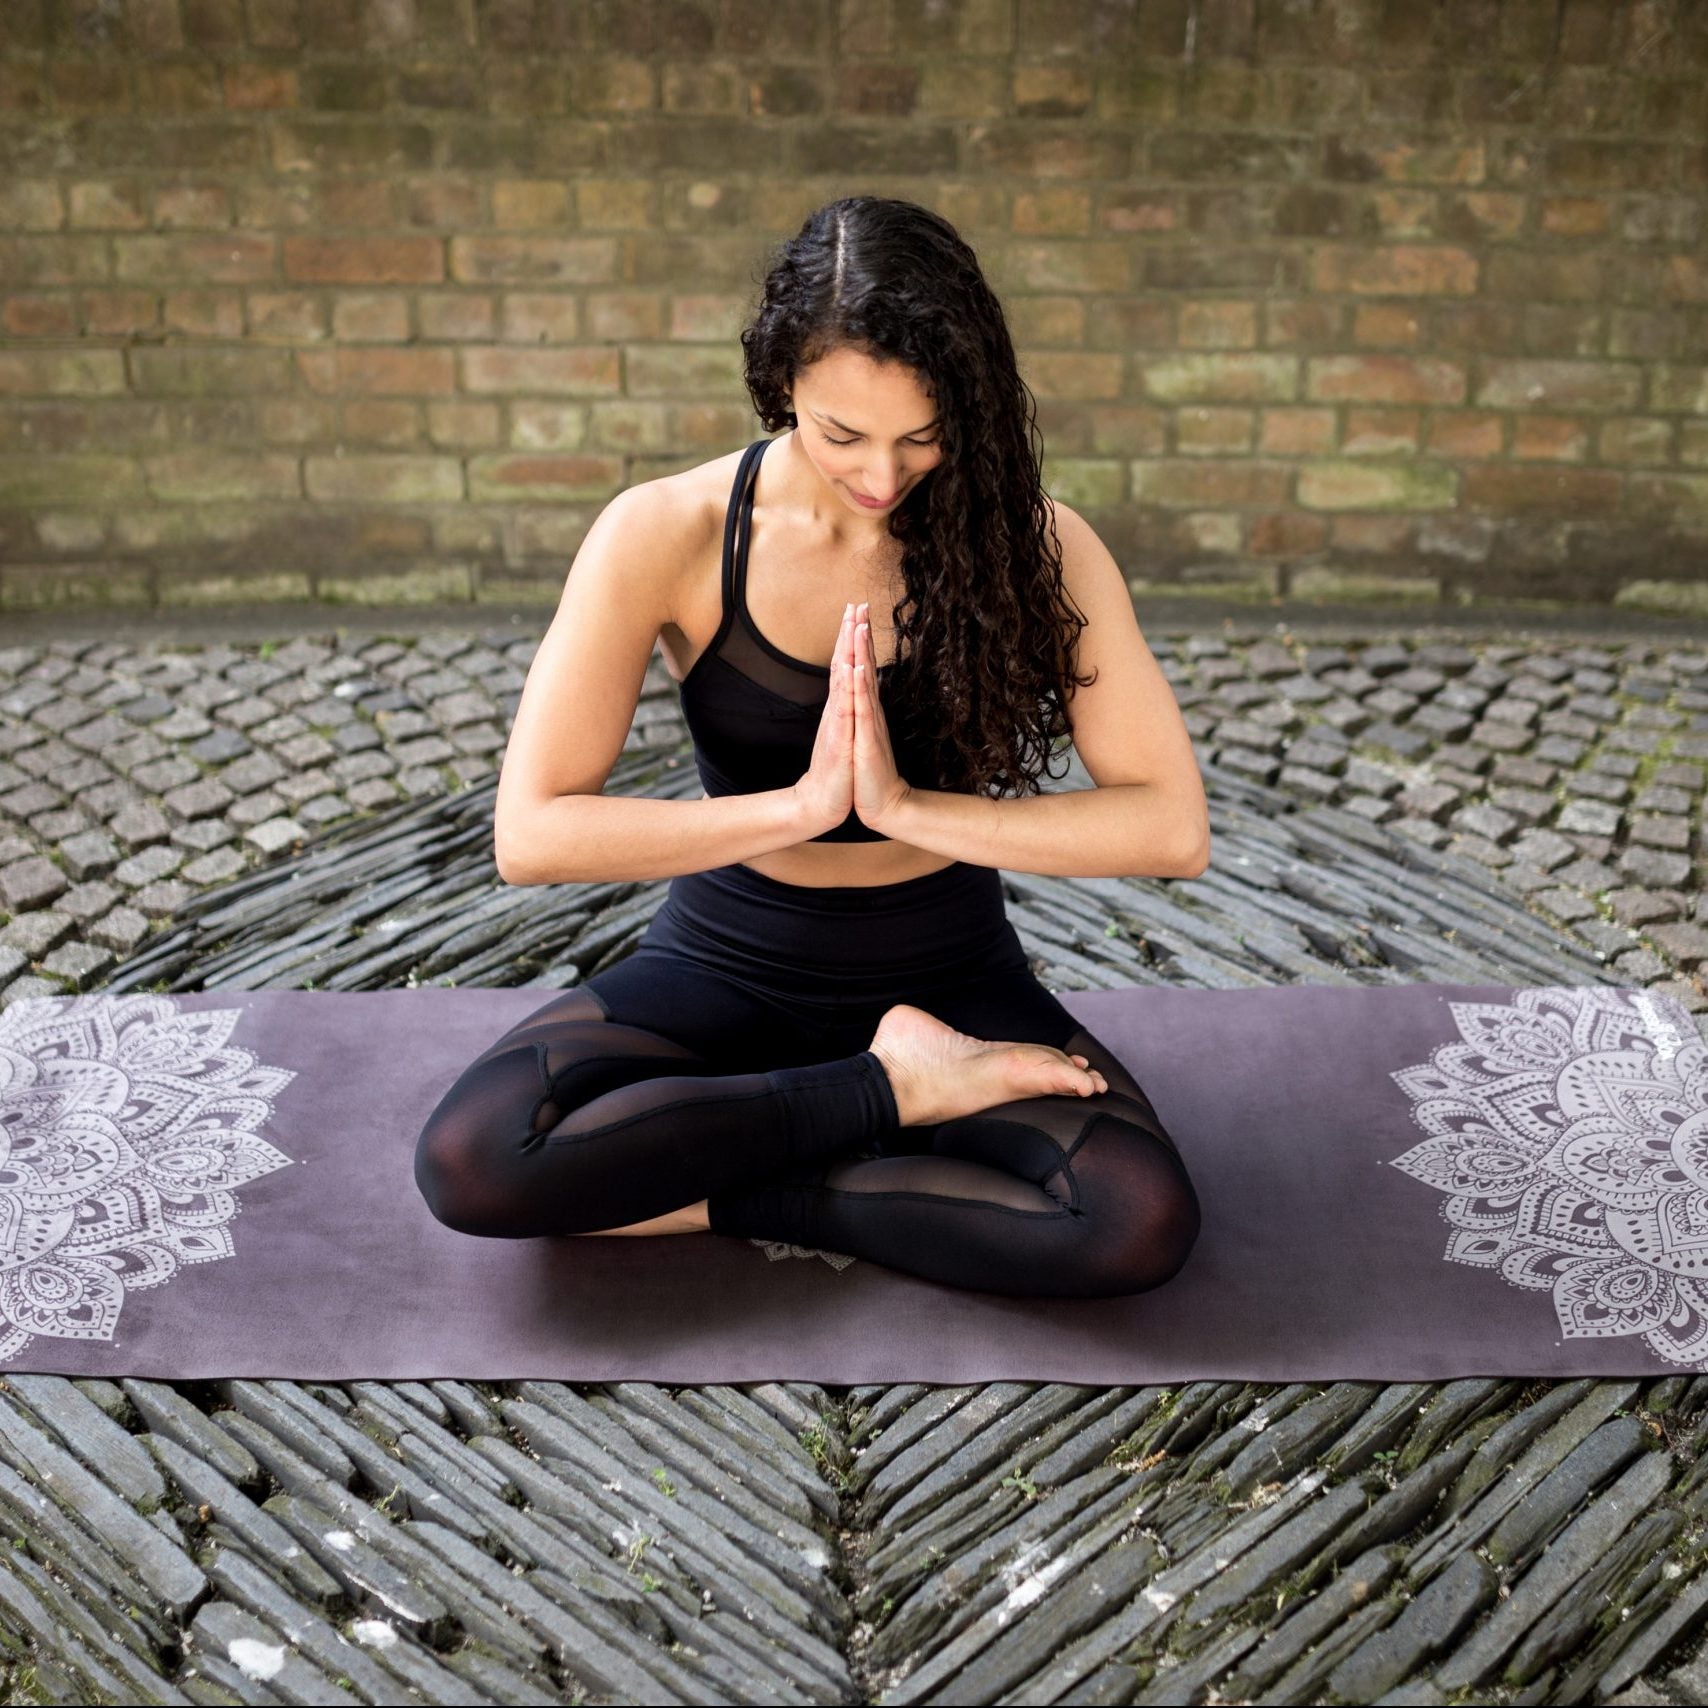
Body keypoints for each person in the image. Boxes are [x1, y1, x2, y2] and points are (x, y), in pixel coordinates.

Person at [413, 196, 1208, 1299]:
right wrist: (797, 807)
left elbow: (1167, 823)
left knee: (1134, 1221)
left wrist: (907, 810)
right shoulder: (668, 532)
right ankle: (892, 1099)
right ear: (779, 380)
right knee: (476, 1160)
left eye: (922, 437)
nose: (884, 477)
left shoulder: (1041, 544)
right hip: (725, 958)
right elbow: (532, 830)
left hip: (950, 971)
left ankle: (757, 1160)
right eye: (843, 436)